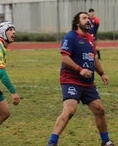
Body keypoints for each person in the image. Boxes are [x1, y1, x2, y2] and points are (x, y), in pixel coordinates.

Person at [47, 12, 114, 146]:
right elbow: (65, 58)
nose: (88, 20)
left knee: (99, 109)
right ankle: (52, 142)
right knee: (70, 110)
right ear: (78, 23)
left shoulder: (90, 38)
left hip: (88, 83)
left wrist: (102, 73)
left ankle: (106, 141)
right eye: (84, 18)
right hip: (71, 80)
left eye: (88, 18)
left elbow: (93, 58)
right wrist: (80, 70)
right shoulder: (70, 37)